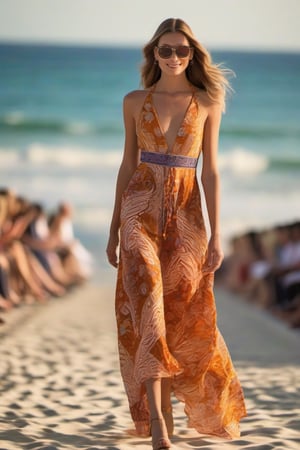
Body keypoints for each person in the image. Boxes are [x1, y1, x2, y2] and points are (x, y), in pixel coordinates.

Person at [106, 18, 246, 449]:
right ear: (154, 54)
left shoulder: (207, 102)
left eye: (181, 51)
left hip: (187, 219)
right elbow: (128, 166)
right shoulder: (134, 101)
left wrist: (218, 235)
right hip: (138, 213)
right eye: (164, 51)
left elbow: (212, 173)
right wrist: (114, 228)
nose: (173, 58)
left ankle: (170, 408)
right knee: (148, 308)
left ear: (192, 54)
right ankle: (159, 424)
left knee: (182, 314)